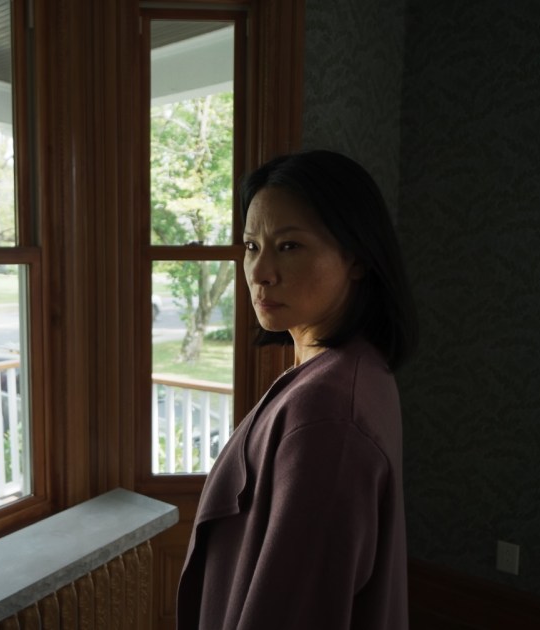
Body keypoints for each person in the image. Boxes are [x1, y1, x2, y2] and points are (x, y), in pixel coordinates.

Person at [176, 150, 418, 629]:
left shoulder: (328, 414)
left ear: (356, 257)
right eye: (251, 246)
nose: (259, 271)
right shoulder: (352, 368)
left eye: (288, 246)